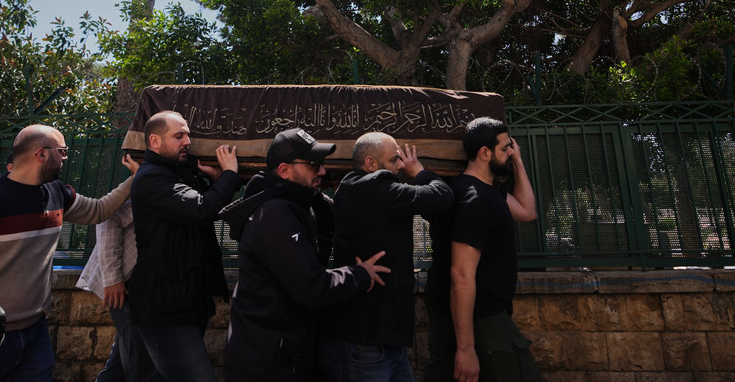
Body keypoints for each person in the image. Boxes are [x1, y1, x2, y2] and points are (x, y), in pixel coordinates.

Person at [0, 124, 136, 382]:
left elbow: (98, 211)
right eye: (61, 151)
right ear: (40, 154)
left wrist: (135, 178)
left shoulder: (58, 194)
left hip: (35, 335)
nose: (65, 157)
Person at [220, 127, 391, 382]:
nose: (321, 171)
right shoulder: (276, 216)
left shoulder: (292, 205)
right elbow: (312, 286)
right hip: (266, 367)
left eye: (321, 164)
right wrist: (359, 274)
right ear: (285, 170)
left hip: (279, 359)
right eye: (313, 164)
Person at [318, 132, 454, 382]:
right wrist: (419, 171)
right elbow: (442, 196)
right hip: (364, 342)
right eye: (394, 160)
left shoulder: (354, 187)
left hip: (379, 339)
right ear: (371, 164)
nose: (401, 165)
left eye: (402, 160)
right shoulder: (374, 187)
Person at [423, 117, 542, 382]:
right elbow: (461, 275)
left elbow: (528, 211)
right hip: (482, 319)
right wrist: (466, 349)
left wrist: (517, 162)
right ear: (484, 153)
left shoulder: (480, 192)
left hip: (455, 313)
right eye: (504, 149)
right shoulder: (474, 200)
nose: (510, 152)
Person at [128, 110, 241, 381]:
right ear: (154, 142)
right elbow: (201, 209)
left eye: (188, 135)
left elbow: (212, 206)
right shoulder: (153, 177)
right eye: (179, 136)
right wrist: (229, 174)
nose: (187, 141)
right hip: (165, 309)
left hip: (185, 299)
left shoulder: (179, 173)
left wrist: (216, 180)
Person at [76, 156, 155, 382]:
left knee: (122, 359)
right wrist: (112, 279)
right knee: (139, 360)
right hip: (125, 285)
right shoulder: (150, 184)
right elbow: (106, 217)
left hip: (144, 285)